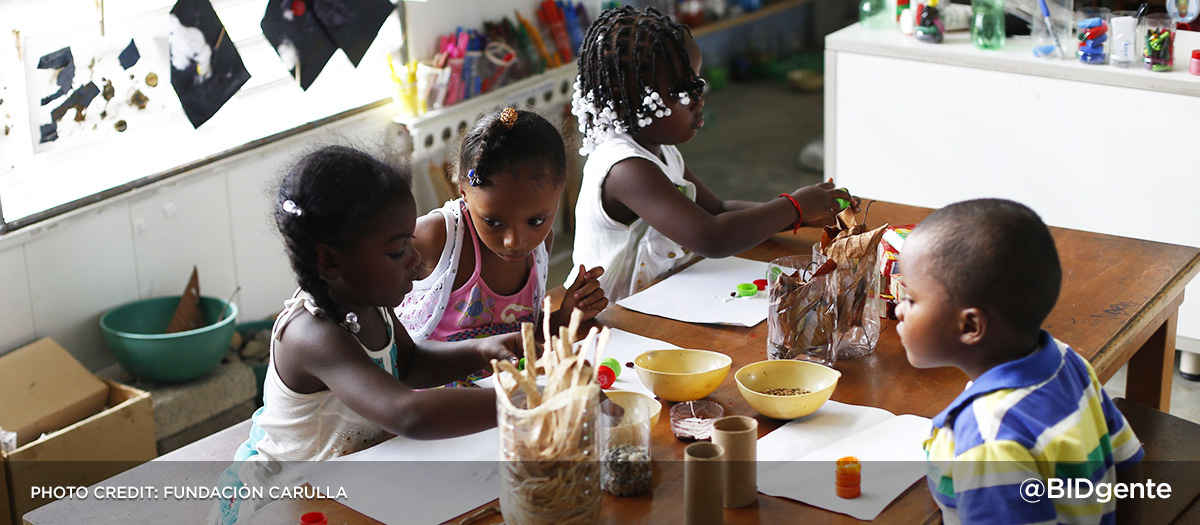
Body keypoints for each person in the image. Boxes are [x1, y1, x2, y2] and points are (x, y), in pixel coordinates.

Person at [208, 145, 521, 524]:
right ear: (330, 261)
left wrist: (481, 350)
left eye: (409, 242)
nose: (414, 258)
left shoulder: (370, 301)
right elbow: (406, 413)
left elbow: (409, 364)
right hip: (293, 498)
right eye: (397, 251)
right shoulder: (312, 334)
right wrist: (522, 403)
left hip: (357, 481)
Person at [567, 5, 857, 302]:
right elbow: (712, 236)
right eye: (681, 90)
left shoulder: (661, 151)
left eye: (697, 82)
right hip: (612, 316)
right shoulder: (625, 169)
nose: (698, 98)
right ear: (625, 100)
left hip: (657, 300)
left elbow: (717, 210)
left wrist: (801, 215)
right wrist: (794, 206)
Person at [896, 198, 1143, 524]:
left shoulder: (989, 441)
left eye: (911, 299)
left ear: (970, 327)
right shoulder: (1069, 362)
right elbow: (1127, 461)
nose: (899, 309)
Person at [397, 107, 607, 348]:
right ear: (463, 191)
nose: (515, 242)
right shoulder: (437, 238)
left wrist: (565, 316)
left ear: (559, 193)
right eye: (494, 222)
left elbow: (523, 334)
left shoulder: (540, 247)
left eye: (536, 221)